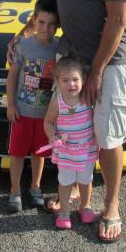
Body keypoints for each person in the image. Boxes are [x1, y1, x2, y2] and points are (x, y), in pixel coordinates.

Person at [8, 0, 126, 242]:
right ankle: (79, 190)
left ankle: (111, 205)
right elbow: (48, 3)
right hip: (71, 58)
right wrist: (22, 35)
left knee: (106, 135)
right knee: (71, 131)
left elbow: (118, 21)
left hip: (108, 61)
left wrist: (95, 72)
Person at [6, 0, 59, 213]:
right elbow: (12, 76)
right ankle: (15, 190)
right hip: (22, 112)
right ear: (34, 21)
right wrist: (10, 104)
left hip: (46, 116)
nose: (46, 28)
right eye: (41, 22)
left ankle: (35, 187)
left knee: (39, 154)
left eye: (52, 24)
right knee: (17, 153)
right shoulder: (23, 46)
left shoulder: (58, 48)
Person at [44, 56, 99, 229]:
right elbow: (48, 122)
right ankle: (64, 211)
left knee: (86, 180)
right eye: (65, 80)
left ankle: (85, 206)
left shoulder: (88, 98)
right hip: (66, 151)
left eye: (75, 79)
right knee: (65, 182)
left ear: (83, 80)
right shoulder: (57, 102)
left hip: (86, 150)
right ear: (57, 82)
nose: (71, 84)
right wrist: (52, 136)